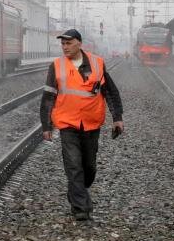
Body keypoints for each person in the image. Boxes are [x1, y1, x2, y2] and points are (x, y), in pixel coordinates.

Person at [40, 28, 125, 222]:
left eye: (68, 43)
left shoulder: (97, 63)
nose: (65, 47)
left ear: (79, 43)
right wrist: (46, 126)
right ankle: (81, 208)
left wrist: (117, 117)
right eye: (63, 44)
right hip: (67, 124)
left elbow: (111, 92)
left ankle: (76, 191)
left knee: (89, 168)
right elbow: (47, 98)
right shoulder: (57, 66)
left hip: (91, 124)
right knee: (73, 166)